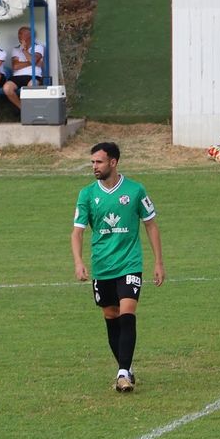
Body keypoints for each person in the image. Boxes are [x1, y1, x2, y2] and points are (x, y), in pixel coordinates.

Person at [71, 143, 165, 394]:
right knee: (111, 317)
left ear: (113, 162)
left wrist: (158, 262)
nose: (94, 167)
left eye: (99, 162)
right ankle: (127, 367)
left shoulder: (135, 191)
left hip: (130, 263)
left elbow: (151, 225)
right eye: (92, 162)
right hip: (102, 266)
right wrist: (79, 262)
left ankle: (122, 373)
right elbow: (77, 232)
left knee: (127, 312)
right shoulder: (87, 194)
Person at [2, 25, 47, 113]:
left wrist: (24, 51)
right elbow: (15, 66)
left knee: (31, 86)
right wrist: (32, 62)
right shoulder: (15, 49)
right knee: (7, 88)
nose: (19, 36)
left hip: (33, 75)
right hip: (17, 76)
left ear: (29, 36)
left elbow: (33, 60)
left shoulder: (38, 47)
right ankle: (23, 109)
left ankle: (30, 111)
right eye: (18, 34)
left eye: (21, 34)